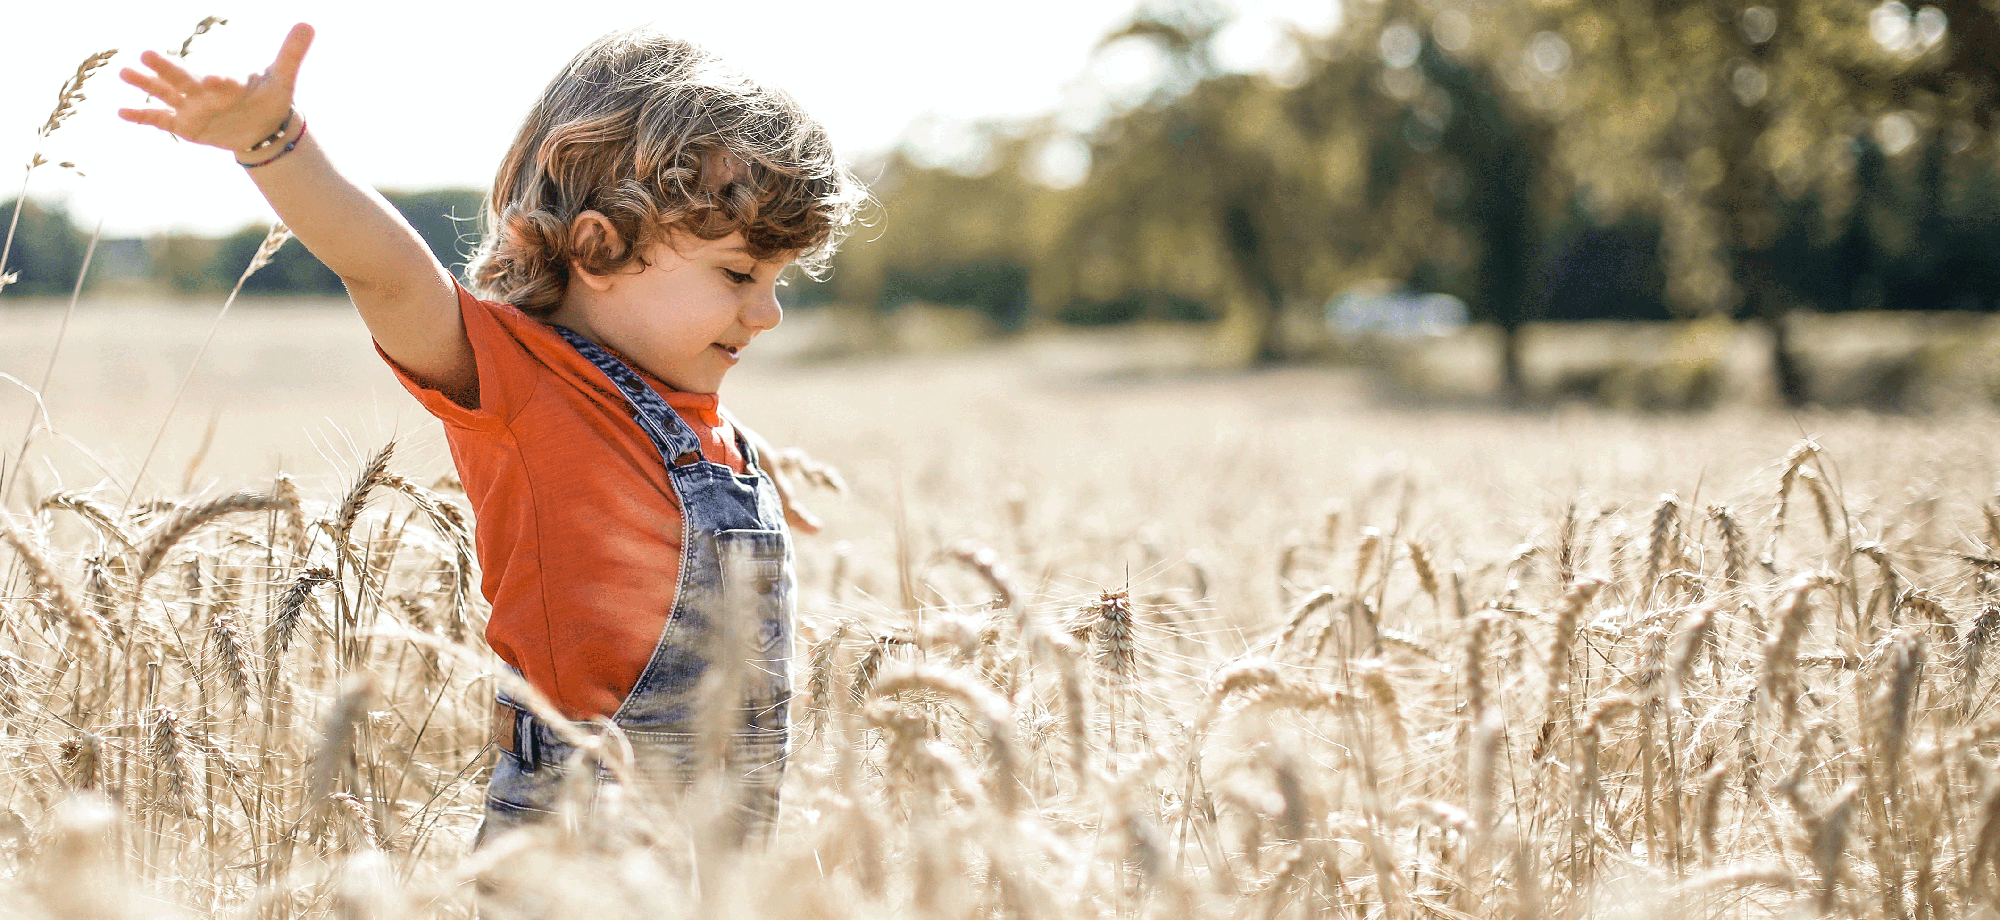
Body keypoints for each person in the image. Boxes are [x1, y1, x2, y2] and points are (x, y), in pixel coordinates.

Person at [117, 23, 866, 846]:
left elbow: (663, 484)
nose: (769, 312)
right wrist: (273, 142)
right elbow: (388, 272)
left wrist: (751, 484)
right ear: (597, 246)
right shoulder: (521, 383)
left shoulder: (701, 421)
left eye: (777, 279)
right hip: (579, 831)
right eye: (738, 275)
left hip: (728, 837)